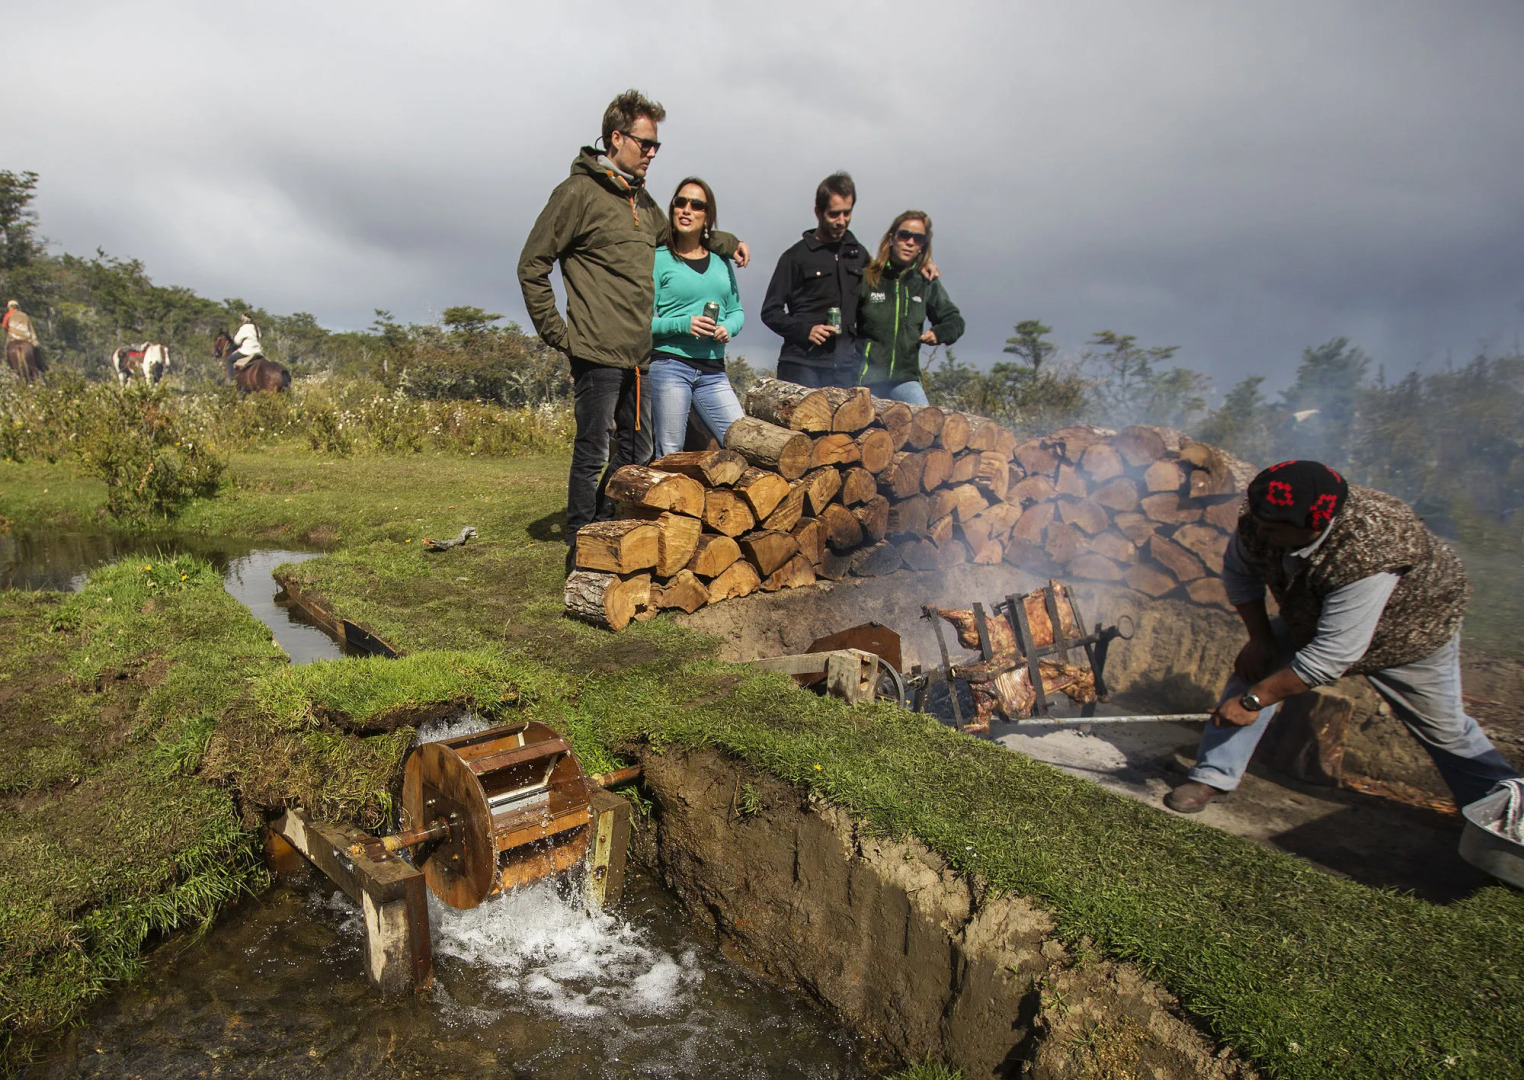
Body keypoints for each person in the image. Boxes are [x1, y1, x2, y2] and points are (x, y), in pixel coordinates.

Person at [1165, 460, 1520, 814]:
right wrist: (1260, 640)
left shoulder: (1371, 545)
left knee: (1446, 731)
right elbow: (1240, 575)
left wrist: (1252, 703)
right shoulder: (1262, 516)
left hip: (1411, 632)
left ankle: (1505, 816)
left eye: (1273, 530)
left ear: (1315, 525)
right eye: (1259, 523)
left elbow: (1331, 656)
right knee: (1255, 669)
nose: (1261, 533)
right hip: (1314, 611)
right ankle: (1212, 776)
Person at [518, 89, 749, 539]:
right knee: (592, 451)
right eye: (646, 144)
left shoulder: (642, 203)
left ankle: (610, 526)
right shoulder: (577, 193)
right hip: (595, 350)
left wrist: (726, 241)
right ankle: (580, 539)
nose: (652, 153)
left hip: (642, 355)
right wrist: (558, 334)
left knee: (634, 450)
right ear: (615, 138)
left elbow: (683, 235)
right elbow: (532, 264)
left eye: (656, 145)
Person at [648, 177, 745, 456]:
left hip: (714, 370)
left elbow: (737, 311)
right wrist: (684, 324)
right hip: (670, 366)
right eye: (680, 202)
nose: (686, 209)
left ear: (707, 216)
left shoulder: (721, 262)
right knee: (670, 453)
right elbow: (642, 323)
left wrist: (728, 327)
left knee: (743, 442)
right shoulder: (659, 258)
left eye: (696, 205)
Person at [852, 211, 964, 405]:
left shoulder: (925, 282)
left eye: (918, 238)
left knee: (926, 428)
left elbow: (954, 320)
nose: (910, 242)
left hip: (905, 380)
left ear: (923, 245)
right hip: (866, 380)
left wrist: (939, 333)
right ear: (892, 238)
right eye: (904, 235)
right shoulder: (868, 277)